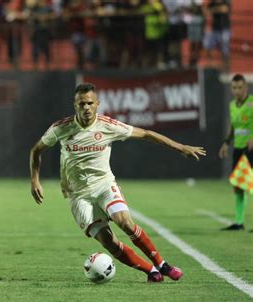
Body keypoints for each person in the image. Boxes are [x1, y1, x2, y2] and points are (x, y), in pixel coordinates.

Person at [29, 83, 206, 282]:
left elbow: (147, 134)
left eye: (90, 103)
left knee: (125, 222)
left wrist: (180, 147)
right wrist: (35, 179)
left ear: (97, 104)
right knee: (108, 241)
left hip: (104, 185)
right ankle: (150, 271)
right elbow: (36, 150)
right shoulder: (60, 128)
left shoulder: (108, 125)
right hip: (79, 196)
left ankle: (162, 265)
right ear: (75, 105)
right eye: (81, 104)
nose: (86, 107)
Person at [219, 74, 253, 231]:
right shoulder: (232, 105)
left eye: (240, 87)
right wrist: (226, 143)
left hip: (251, 149)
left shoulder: (252, 103)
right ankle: (239, 222)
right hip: (238, 149)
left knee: (250, 184)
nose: (237, 90)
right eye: (234, 88)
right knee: (238, 186)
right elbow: (233, 127)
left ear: (245, 88)